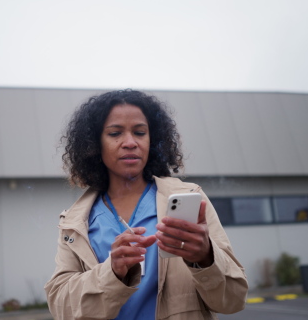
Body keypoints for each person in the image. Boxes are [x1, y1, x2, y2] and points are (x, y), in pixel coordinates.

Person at [44, 89, 248, 320]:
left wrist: (206, 257)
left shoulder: (191, 198)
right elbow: (61, 307)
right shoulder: (75, 221)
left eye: (140, 132)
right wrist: (111, 272)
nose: (130, 142)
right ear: (94, 145)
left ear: (153, 141)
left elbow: (233, 300)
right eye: (115, 133)